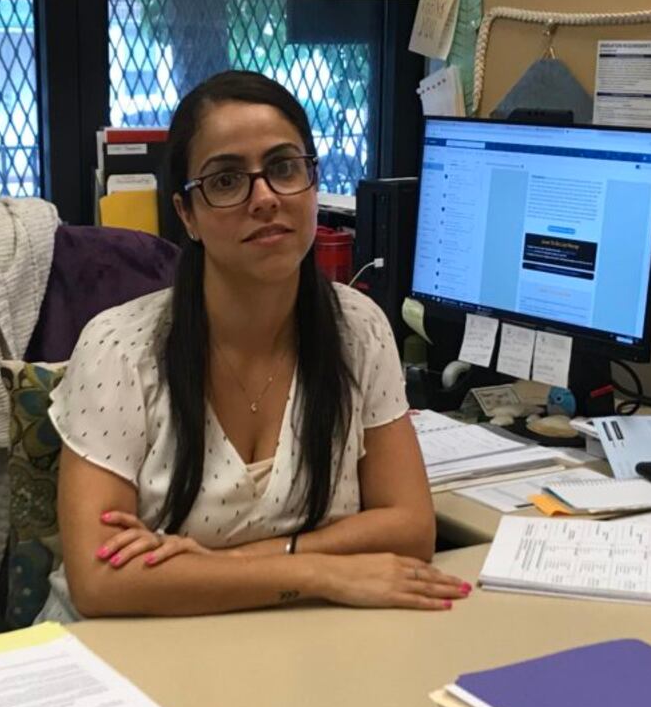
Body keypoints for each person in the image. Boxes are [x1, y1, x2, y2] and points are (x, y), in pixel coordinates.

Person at [38, 70, 468, 621]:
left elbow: (410, 528)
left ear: (312, 183)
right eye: (225, 180)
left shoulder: (358, 327)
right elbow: (99, 583)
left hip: (279, 643)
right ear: (187, 215)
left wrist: (225, 565)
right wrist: (317, 570)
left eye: (285, 168)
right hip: (119, 652)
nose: (264, 197)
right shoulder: (119, 348)